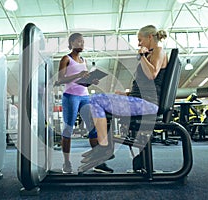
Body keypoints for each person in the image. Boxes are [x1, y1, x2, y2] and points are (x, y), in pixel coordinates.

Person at [82, 25, 168, 165]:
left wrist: (141, 55)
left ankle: (104, 148)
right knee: (101, 102)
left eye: (140, 40)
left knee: (96, 100)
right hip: (142, 101)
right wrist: (125, 94)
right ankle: (105, 147)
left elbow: (152, 74)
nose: (139, 43)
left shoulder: (158, 50)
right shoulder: (151, 54)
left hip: (147, 103)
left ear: (150, 37)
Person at [56, 33, 113, 174]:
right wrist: (78, 75)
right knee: (68, 129)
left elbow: (83, 84)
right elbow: (60, 80)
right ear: (71, 43)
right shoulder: (66, 59)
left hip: (85, 97)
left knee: (93, 129)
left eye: (83, 42)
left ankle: (97, 163)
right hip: (70, 97)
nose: (82, 44)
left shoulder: (83, 60)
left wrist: (91, 81)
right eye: (79, 42)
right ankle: (66, 163)